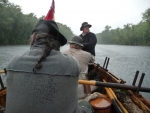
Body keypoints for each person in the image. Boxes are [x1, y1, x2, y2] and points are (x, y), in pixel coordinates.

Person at [6, 19, 93, 113]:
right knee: (86, 105)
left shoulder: (13, 62)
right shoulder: (72, 64)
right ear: (57, 42)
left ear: (34, 38)